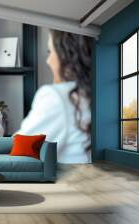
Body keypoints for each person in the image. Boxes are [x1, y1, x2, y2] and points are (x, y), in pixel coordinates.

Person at [15, 30, 92, 164]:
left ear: (67, 56)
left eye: (50, 52)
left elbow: (21, 152)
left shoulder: (57, 97)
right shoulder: (94, 94)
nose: (48, 61)